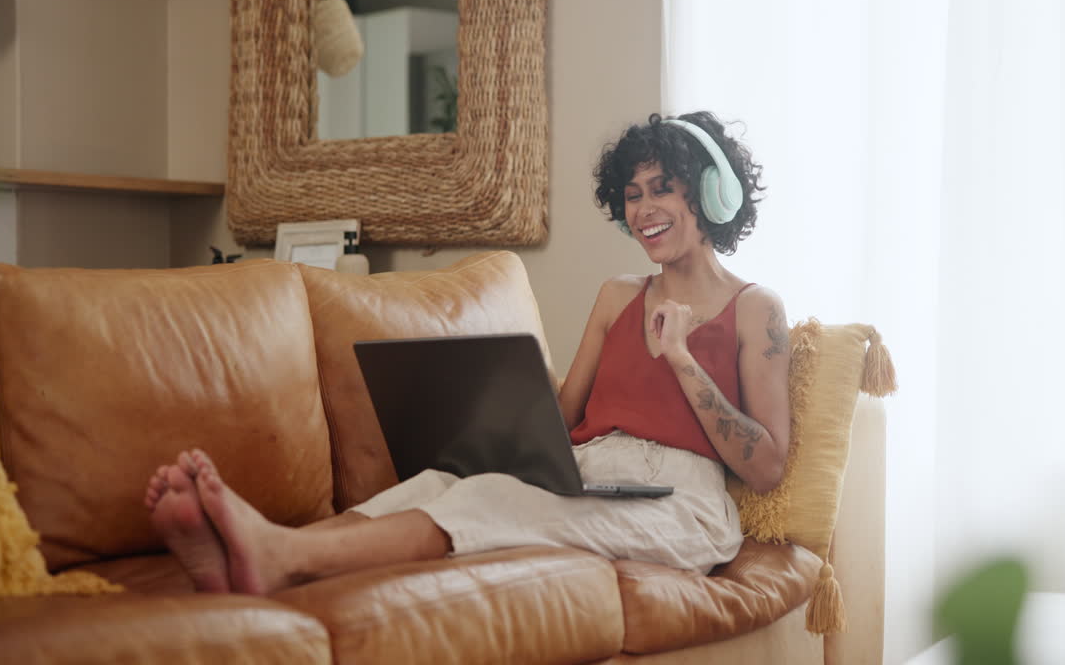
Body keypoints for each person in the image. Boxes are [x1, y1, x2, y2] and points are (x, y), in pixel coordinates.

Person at [143, 111, 791, 594]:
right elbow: (564, 419)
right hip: (591, 469)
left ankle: (277, 559)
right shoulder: (617, 296)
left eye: (662, 188)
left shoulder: (757, 309)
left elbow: (765, 466)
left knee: (493, 503)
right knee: (441, 481)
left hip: (681, 502)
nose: (644, 208)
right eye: (633, 193)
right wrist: (503, 409)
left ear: (710, 194)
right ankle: (252, 554)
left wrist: (680, 357)